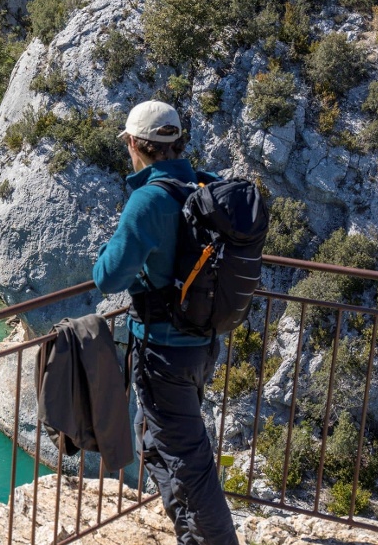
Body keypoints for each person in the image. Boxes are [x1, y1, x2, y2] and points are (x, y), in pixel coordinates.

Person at [92, 101, 238, 545]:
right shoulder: (205, 185)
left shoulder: (148, 199)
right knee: (156, 447)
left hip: (162, 354)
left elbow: (107, 276)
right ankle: (190, 536)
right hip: (202, 344)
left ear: (136, 145)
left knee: (190, 464)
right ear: (177, 143)